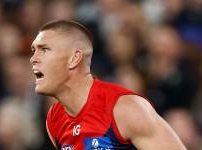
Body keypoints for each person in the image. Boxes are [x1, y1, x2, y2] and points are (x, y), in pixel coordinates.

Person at [30, 20, 186, 149]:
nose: (33, 59)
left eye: (44, 49)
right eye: (33, 50)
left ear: (74, 59)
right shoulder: (54, 119)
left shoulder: (125, 109)